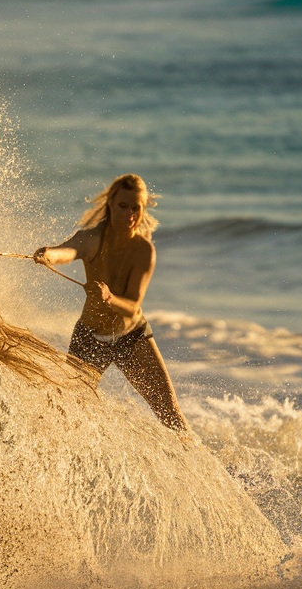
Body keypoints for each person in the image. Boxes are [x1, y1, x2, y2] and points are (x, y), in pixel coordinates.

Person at [33, 173, 189, 432]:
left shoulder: (143, 251)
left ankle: (198, 469)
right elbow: (68, 251)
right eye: (123, 206)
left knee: (172, 418)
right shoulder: (92, 239)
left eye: (136, 208)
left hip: (132, 338)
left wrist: (109, 298)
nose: (130, 214)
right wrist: (48, 254)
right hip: (90, 338)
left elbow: (134, 306)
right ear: (110, 205)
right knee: (67, 415)